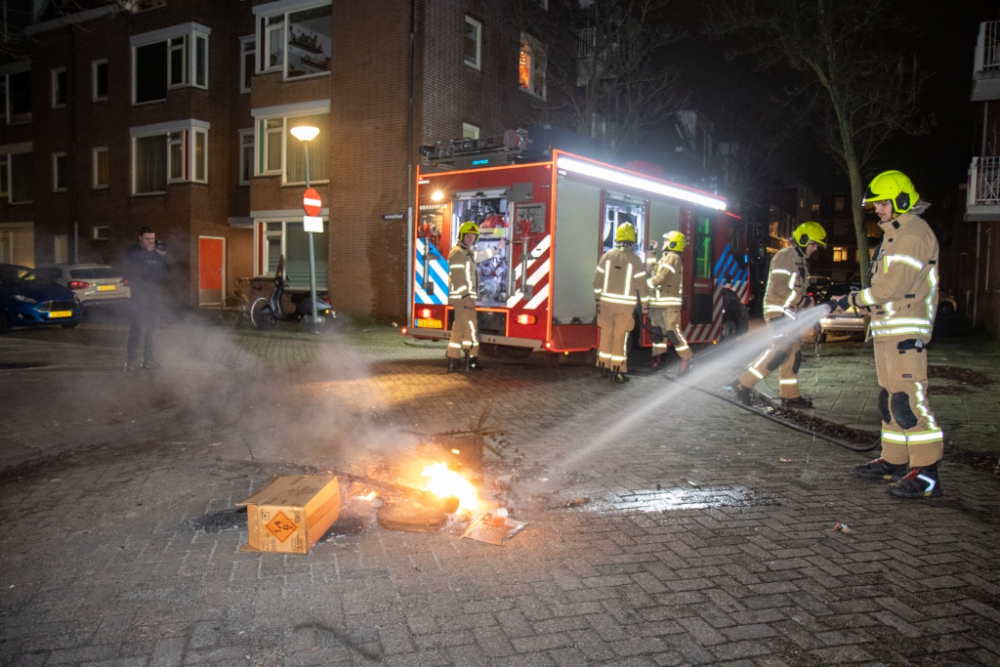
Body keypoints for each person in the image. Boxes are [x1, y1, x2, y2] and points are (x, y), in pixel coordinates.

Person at [830, 170, 943, 499]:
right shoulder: (894, 234)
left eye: (882, 203)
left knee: (908, 400)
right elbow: (887, 291)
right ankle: (894, 461)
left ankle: (928, 473)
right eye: (875, 204)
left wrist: (852, 300)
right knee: (890, 401)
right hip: (888, 331)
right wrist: (869, 307)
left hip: (906, 331)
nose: (877, 210)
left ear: (902, 200)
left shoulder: (913, 233)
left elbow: (892, 287)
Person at [731, 221, 826, 407]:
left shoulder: (798, 260)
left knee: (792, 355)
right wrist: (804, 301)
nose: (815, 249)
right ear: (803, 239)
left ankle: (790, 396)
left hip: (791, 314)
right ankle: (743, 383)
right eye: (814, 244)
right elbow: (780, 287)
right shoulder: (786, 256)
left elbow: (795, 289)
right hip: (779, 311)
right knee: (779, 352)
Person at [593, 222, 650, 383]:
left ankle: (603, 366)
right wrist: (645, 304)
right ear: (633, 239)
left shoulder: (607, 256)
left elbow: (596, 280)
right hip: (624, 307)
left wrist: (598, 300)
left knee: (606, 335)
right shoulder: (635, 260)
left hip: (605, 305)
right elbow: (642, 286)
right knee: (620, 338)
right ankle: (617, 370)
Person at [446, 221, 505, 372]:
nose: (471, 239)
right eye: (468, 236)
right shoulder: (457, 253)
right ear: (462, 236)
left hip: (463, 297)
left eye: (473, 236)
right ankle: (470, 361)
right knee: (471, 328)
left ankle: (453, 361)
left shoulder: (467, 253)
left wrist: (497, 248)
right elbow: (458, 277)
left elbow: (481, 256)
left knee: (458, 327)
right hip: (462, 298)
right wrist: (466, 297)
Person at [124, 226, 172, 371]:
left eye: (152, 239)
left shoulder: (156, 252)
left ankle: (148, 360)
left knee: (151, 330)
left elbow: (168, 270)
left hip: (154, 295)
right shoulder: (133, 251)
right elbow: (131, 268)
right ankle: (130, 361)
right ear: (140, 238)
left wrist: (164, 256)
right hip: (138, 296)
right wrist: (147, 254)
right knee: (137, 328)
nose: (150, 241)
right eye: (147, 239)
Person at [647, 230, 692, 373]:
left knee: (672, 333)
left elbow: (660, 278)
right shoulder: (664, 258)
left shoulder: (673, 258)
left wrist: (643, 285)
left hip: (669, 304)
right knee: (658, 333)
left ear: (673, 244)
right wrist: (652, 252)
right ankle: (659, 360)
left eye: (666, 241)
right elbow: (651, 271)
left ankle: (686, 360)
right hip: (658, 304)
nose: (664, 243)